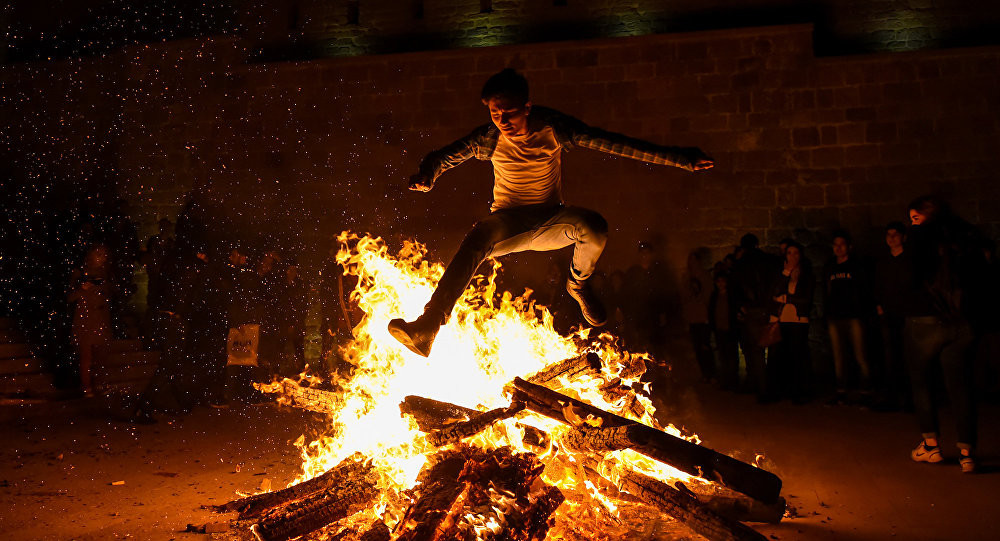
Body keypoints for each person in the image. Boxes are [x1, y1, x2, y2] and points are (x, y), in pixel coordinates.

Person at [387, 68, 713, 356]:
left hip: (551, 221)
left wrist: (679, 158)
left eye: (510, 113)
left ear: (527, 108)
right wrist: (427, 175)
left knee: (594, 226)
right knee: (477, 238)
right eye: (495, 113)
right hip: (507, 223)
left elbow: (615, 143)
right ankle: (428, 325)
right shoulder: (487, 138)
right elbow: (444, 156)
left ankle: (578, 284)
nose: (503, 121)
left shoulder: (554, 129)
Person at [904, 196, 987, 473]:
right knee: (961, 386)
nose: (912, 223)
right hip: (962, 322)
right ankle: (967, 453)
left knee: (922, 382)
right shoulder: (965, 236)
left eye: (915, 218)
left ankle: (931, 446)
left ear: (924, 216)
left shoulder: (920, 237)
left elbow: (912, 277)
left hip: (928, 319)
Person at [822, 229, 873, 405]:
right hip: (835, 317)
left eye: (842, 245)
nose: (838, 248)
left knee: (861, 355)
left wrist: (863, 311)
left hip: (854, 316)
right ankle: (841, 391)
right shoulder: (829, 267)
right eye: (835, 245)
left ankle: (866, 391)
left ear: (849, 247)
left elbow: (865, 290)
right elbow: (826, 291)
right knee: (838, 356)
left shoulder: (857, 267)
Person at [731, 233, 781, 401]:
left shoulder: (741, 264)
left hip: (752, 311)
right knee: (772, 349)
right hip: (767, 308)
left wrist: (741, 307)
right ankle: (770, 387)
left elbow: (736, 288)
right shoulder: (770, 261)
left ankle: (762, 390)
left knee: (756, 351)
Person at [767, 241, 815, 403]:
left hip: (798, 320)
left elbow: (807, 298)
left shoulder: (806, 274)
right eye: (789, 253)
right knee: (780, 356)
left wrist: (788, 299)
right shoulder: (781, 273)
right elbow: (774, 292)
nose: (792, 256)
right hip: (781, 319)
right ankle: (781, 390)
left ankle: (800, 391)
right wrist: (786, 273)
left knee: (798, 356)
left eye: (795, 253)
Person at [873, 221, 912, 410]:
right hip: (888, 315)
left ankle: (909, 398)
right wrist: (880, 306)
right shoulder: (883, 262)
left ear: (903, 237)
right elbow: (878, 286)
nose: (892, 238)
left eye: (896, 234)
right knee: (890, 356)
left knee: (908, 356)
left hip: (907, 315)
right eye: (889, 234)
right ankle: (892, 396)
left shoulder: (910, 261)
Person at [67, 243, 114, 397]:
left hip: (100, 318)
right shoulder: (79, 272)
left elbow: (108, 295)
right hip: (85, 318)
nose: (102, 257)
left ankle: (100, 384)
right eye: (99, 254)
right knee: (86, 356)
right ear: (91, 255)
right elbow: (69, 297)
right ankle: (86, 387)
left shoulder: (105, 273)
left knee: (101, 355)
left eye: (104, 254)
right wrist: (82, 289)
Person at [681, 251, 714, 382]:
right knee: (697, 347)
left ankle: (711, 373)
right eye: (690, 261)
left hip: (703, 317)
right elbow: (683, 296)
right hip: (692, 318)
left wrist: (707, 313)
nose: (692, 263)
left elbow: (708, 295)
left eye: (695, 260)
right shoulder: (686, 278)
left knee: (705, 346)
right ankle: (704, 374)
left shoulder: (705, 277)